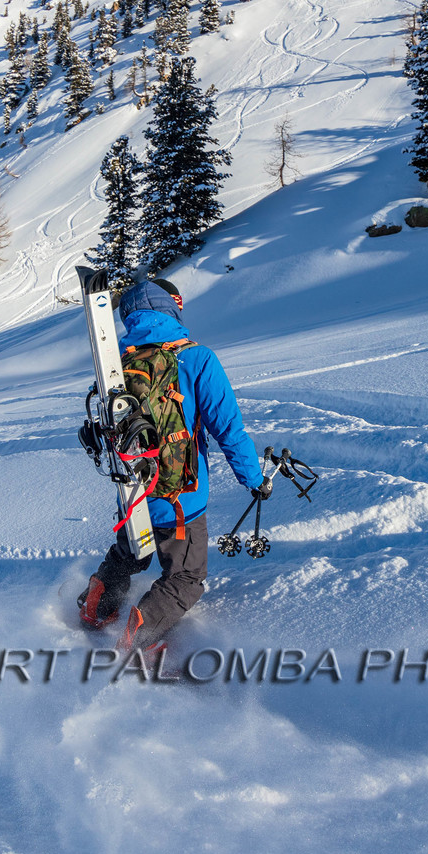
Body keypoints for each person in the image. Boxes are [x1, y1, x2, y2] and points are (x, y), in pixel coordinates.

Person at [79, 278, 271, 653]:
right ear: (172, 307)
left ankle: (96, 604)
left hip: (132, 489)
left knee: (133, 551)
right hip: (179, 495)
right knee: (186, 576)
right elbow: (228, 429)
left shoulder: (115, 364)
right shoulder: (196, 357)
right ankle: (140, 636)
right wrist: (254, 478)